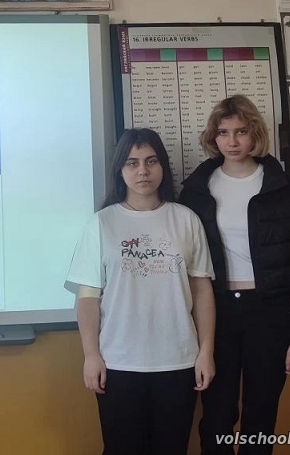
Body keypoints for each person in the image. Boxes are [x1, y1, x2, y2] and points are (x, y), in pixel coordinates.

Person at [65, 128, 215, 455]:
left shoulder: (186, 220)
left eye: (151, 161)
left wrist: (206, 352)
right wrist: (91, 355)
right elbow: (87, 299)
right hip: (118, 363)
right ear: (120, 170)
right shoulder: (101, 223)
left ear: (163, 166)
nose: (143, 171)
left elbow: (202, 290)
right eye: (132, 163)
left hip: (178, 361)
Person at [179, 95, 290, 454]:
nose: (232, 141)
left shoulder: (285, 187)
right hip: (216, 311)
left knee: (261, 415)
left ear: (255, 133)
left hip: (269, 312)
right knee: (217, 414)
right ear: (214, 137)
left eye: (241, 131)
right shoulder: (196, 190)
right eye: (223, 132)